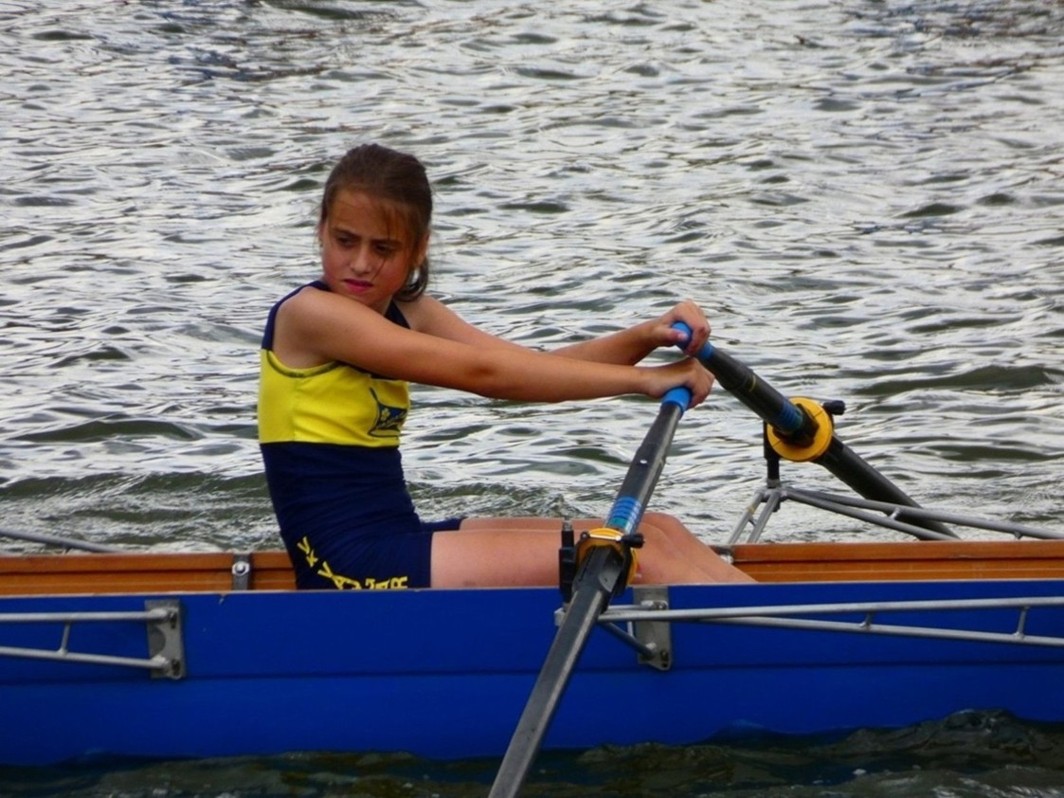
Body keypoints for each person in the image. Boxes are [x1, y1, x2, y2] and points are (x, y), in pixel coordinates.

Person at [258, 143, 753, 590]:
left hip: (397, 537)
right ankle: (783, 645)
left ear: (418, 249)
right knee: (643, 561)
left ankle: (782, 623)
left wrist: (645, 337)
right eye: (345, 241)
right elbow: (486, 375)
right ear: (321, 229)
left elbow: (528, 368)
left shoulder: (410, 310)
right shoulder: (311, 316)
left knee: (658, 532)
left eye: (383, 248)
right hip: (346, 567)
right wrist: (646, 381)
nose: (361, 263)